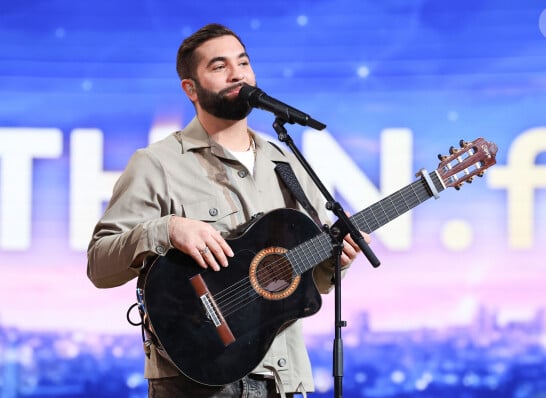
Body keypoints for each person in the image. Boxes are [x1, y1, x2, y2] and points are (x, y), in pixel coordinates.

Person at [87, 23, 369, 398]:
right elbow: (99, 266)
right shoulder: (157, 163)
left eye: (244, 62)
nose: (237, 73)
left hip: (284, 381)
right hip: (197, 384)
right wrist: (167, 229)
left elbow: (303, 285)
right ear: (191, 88)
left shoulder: (287, 164)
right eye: (219, 66)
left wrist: (340, 262)